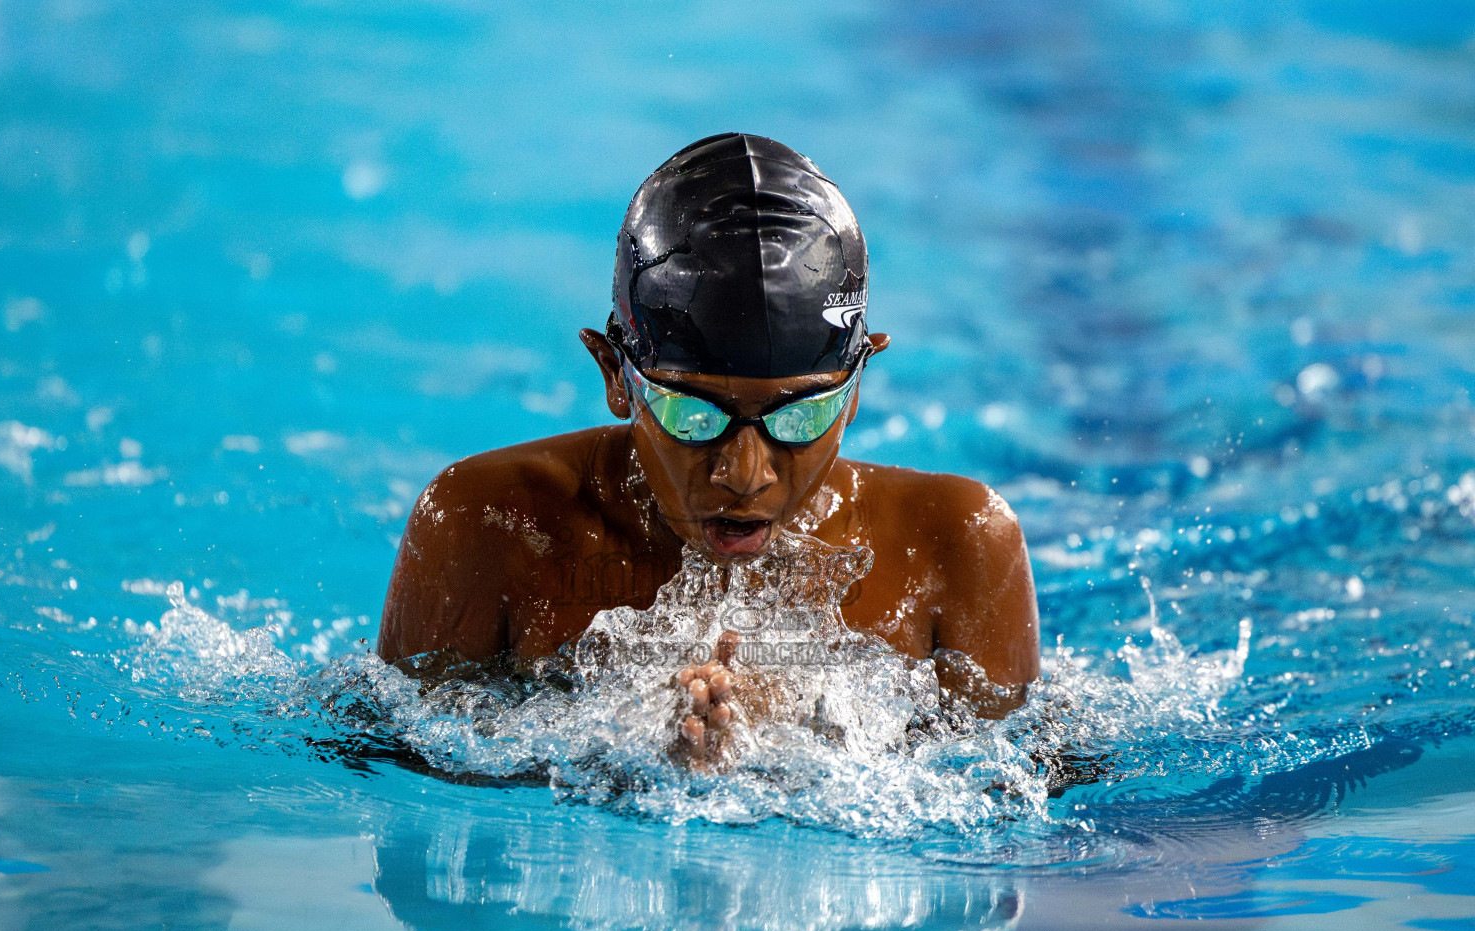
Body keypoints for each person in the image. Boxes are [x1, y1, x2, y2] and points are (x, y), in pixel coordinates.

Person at [377, 133, 1039, 764]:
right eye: (691, 414)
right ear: (616, 375)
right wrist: (629, 758)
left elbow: (1022, 812)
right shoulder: (488, 527)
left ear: (855, 391)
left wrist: (785, 753)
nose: (744, 474)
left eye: (801, 416)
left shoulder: (956, 544)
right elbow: (397, 785)